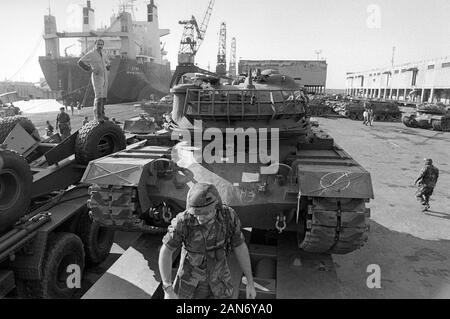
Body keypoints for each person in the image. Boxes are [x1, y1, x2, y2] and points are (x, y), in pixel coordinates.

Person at [159, 183, 257, 300]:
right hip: (190, 283)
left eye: (205, 213)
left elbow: (239, 246)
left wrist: (250, 282)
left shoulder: (228, 216)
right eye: (196, 213)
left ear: (217, 207)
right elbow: (166, 250)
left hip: (220, 282)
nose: (200, 218)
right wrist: (168, 289)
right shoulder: (183, 221)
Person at [78, 39, 111, 123]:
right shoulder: (91, 54)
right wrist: (89, 68)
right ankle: (97, 116)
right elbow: (80, 62)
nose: (100, 46)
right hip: (97, 77)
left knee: (103, 95)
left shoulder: (103, 54)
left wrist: (108, 66)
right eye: (98, 44)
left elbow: (107, 63)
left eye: (101, 44)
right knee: (98, 95)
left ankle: (102, 114)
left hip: (104, 76)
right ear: (95, 44)